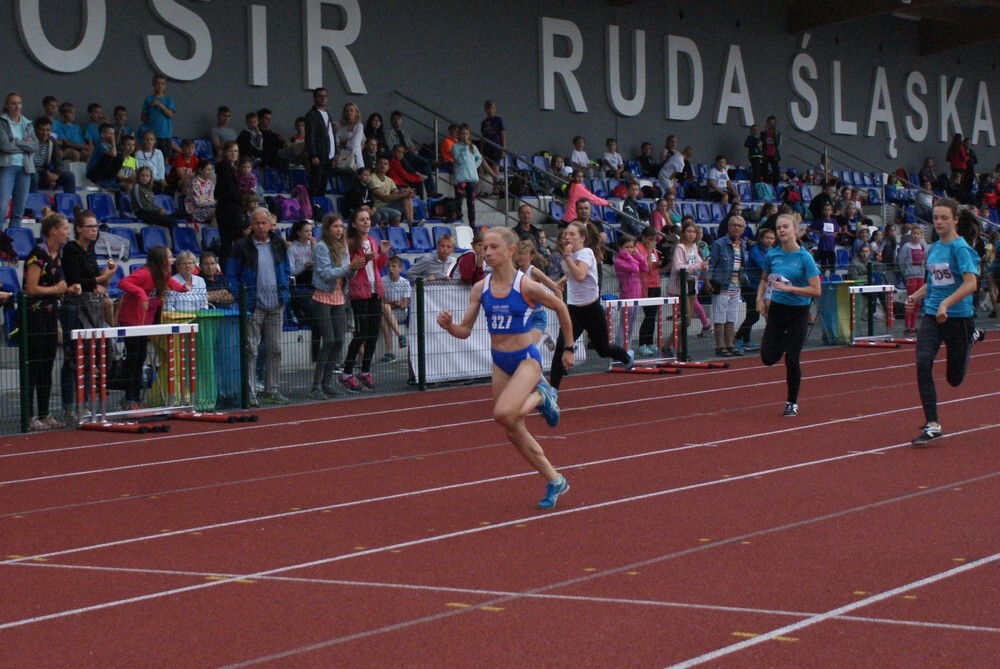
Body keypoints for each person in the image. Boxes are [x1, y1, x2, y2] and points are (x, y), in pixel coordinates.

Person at [437, 227, 575, 509]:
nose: (486, 252)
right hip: (500, 362)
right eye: (484, 247)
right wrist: (450, 326)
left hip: (526, 359)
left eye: (493, 247)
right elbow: (464, 331)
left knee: (503, 412)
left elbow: (561, 307)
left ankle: (544, 394)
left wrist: (569, 347)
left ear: (511, 250)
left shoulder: (526, 286)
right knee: (510, 427)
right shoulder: (481, 288)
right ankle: (555, 480)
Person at [906, 200, 986, 446]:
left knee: (954, 379)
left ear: (955, 220)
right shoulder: (933, 249)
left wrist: (946, 304)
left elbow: (971, 284)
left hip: (958, 318)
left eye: (943, 218)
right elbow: (933, 282)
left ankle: (971, 337)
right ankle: (932, 423)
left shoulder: (961, 249)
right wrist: (915, 296)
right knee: (923, 363)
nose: (938, 222)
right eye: (935, 218)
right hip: (932, 316)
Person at [549, 221, 634, 390]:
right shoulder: (571, 255)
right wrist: (564, 278)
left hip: (592, 309)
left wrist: (566, 257)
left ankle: (626, 357)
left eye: (572, 234)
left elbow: (580, 275)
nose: (567, 237)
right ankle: (552, 392)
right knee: (561, 348)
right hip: (574, 310)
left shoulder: (586, 253)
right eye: (566, 234)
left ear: (582, 238)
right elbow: (573, 272)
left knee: (602, 349)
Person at [757, 214, 822, 417]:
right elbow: (764, 279)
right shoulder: (772, 255)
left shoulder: (805, 257)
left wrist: (791, 289)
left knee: (792, 359)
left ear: (795, 229)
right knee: (768, 358)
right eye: (779, 228)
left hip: (798, 311)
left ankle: (791, 402)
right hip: (777, 310)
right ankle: (785, 341)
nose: (782, 230)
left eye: (785, 227)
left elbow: (816, 290)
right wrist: (759, 299)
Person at [225, 208, 292, 406]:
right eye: (257, 223)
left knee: (275, 349)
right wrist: (241, 295)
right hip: (252, 305)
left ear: (270, 224)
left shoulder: (278, 243)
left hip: (276, 303)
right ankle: (250, 392)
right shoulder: (241, 246)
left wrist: (284, 289)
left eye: (264, 223)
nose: (261, 226)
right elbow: (231, 273)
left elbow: (286, 268)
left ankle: (272, 390)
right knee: (251, 350)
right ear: (251, 224)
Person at [59, 210, 116, 424]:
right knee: (72, 358)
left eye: (96, 227)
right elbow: (75, 280)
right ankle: (69, 406)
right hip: (74, 306)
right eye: (90, 227)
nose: (94, 230)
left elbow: (93, 281)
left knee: (90, 356)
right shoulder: (71, 250)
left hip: (90, 306)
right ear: (79, 229)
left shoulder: (90, 251)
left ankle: (86, 402)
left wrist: (104, 278)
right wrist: (101, 278)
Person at [23, 213, 78, 429]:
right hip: (35, 316)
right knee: (34, 366)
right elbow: (31, 288)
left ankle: (44, 413)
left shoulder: (58, 254)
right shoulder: (37, 255)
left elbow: (58, 285)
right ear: (53, 230)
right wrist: (55, 289)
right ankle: (28, 416)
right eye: (64, 228)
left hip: (51, 315)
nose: (68, 232)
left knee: (47, 364)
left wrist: (68, 289)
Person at [117, 246, 187, 410]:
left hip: (145, 322)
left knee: (140, 359)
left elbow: (173, 284)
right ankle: (130, 397)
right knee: (134, 359)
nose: (172, 260)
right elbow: (123, 283)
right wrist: (141, 293)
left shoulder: (162, 275)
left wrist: (183, 288)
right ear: (161, 259)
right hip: (133, 321)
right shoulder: (145, 273)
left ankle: (135, 397)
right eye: (169, 257)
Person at [310, 213, 363, 398]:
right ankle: (316, 385)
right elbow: (326, 273)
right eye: (335, 226)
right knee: (329, 341)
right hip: (323, 296)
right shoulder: (321, 247)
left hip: (339, 297)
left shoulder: (343, 246)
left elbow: (348, 274)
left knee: (339, 341)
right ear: (327, 228)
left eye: (341, 226)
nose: (339, 230)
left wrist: (355, 267)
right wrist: (349, 267)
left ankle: (327, 383)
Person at [339, 208, 391, 392]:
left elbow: (378, 266)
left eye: (368, 219)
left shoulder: (372, 241)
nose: (366, 222)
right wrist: (365, 260)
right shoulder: (351, 243)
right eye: (362, 220)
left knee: (373, 332)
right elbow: (351, 269)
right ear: (354, 224)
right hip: (360, 291)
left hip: (374, 290)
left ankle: (365, 370)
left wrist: (383, 253)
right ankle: (347, 371)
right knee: (362, 332)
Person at [707, 216, 748, 356]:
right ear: (729, 227)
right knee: (720, 318)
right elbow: (711, 263)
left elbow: (743, 265)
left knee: (731, 318)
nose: (736, 228)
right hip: (722, 286)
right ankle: (720, 346)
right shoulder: (719, 244)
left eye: (739, 226)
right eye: (734, 225)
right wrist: (708, 281)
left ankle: (730, 344)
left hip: (736, 286)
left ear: (743, 229)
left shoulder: (743, 244)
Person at [514, 238, 561, 352]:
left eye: (523, 254)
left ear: (531, 256)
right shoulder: (516, 273)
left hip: (537, 316)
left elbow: (556, 288)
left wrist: (560, 310)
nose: (520, 257)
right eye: (518, 254)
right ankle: (546, 334)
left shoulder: (533, 271)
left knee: (529, 349)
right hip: (523, 317)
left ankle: (544, 333)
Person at [0, 92, 38, 228]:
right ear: (7, 105)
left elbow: (35, 146)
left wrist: (17, 142)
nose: (17, 106)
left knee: (18, 211)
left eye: (19, 103)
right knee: (1, 208)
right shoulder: (2, 122)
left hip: (25, 168)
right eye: (13, 103)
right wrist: (26, 146)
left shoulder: (27, 123)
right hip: (7, 167)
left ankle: (13, 239)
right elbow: (5, 146)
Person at [669, 220, 712, 338]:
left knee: (687, 321)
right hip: (681, 287)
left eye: (694, 232)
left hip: (692, 285)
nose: (692, 234)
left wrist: (704, 266)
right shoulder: (680, 248)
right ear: (683, 233)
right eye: (689, 231)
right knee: (687, 321)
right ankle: (668, 345)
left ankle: (677, 346)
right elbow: (678, 267)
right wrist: (698, 266)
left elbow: (700, 263)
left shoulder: (694, 247)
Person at [735, 227, 774, 353]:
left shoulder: (771, 251)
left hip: (762, 286)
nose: (769, 240)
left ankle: (746, 341)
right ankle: (737, 338)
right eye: (767, 238)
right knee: (754, 316)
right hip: (751, 286)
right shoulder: (755, 250)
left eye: (772, 238)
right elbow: (764, 266)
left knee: (750, 314)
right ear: (761, 239)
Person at [287, 219, 317, 358]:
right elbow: (291, 270)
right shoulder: (292, 249)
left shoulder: (313, 246)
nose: (309, 234)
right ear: (299, 232)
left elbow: (321, 263)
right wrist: (303, 267)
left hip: (314, 283)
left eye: (311, 231)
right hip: (300, 285)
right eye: (306, 231)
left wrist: (315, 248)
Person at [613, 235, 648, 349]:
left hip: (636, 295)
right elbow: (635, 268)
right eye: (626, 247)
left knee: (631, 325)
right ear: (620, 248)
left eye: (632, 247)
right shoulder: (619, 261)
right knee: (624, 325)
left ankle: (627, 348)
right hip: (627, 295)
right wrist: (628, 256)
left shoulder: (632, 259)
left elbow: (645, 267)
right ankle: (619, 350)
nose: (629, 250)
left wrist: (637, 255)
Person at [634, 227, 664, 356]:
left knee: (653, 315)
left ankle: (650, 341)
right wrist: (650, 250)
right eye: (650, 239)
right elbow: (646, 267)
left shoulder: (653, 250)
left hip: (655, 283)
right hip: (646, 285)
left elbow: (654, 265)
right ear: (644, 237)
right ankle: (642, 343)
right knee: (649, 315)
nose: (652, 242)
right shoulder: (638, 248)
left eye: (654, 240)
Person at [30, 116, 75, 194]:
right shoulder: (29, 141)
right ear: (36, 130)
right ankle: (33, 200)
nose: (45, 133)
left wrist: (56, 175)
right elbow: (28, 165)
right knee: (34, 175)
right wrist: (46, 173)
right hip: (32, 174)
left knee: (70, 176)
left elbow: (59, 162)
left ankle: (70, 201)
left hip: (46, 175)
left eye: (48, 130)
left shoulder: (52, 141)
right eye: (42, 130)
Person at [215, 141, 243, 262]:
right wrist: (241, 200)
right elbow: (228, 190)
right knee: (230, 242)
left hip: (229, 208)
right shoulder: (224, 167)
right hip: (228, 210)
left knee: (228, 242)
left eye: (236, 151)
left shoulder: (231, 168)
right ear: (225, 152)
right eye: (231, 151)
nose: (234, 153)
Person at [379, 255, 410, 363]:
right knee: (383, 315)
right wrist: (393, 303)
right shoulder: (382, 281)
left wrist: (394, 305)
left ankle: (390, 352)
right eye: (388, 266)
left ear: (400, 268)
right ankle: (399, 337)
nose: (390, 269)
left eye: (393, 266)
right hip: (387, 310)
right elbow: (380, 301)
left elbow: (404, 306)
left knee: (384, 311)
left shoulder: (405, 283)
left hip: (400, 313)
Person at [304, 87, 334, 199]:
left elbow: (331, 134)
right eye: (320, 96)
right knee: (315, 183)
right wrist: (313, 155)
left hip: (328, 155)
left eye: (325, 96)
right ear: (315, 98)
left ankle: (319, 205)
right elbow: (310, 136)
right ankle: (312, 205)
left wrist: (334, 153)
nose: (323, 98)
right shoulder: (312, 115)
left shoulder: (327, 114)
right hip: (319, 155)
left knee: (323, 184)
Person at [451, 124, 482, 226]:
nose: (464, 136)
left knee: (471, 203)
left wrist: (474, 166)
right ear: (459, 135)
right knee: (458, 201)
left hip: (472, 178)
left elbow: (479, 158)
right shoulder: (455, 147)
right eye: (462, 134)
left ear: (469, 135)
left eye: (467, 134)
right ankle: (458, 223)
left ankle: (472, 226)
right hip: (461, 178)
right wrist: (465, 148)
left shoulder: (473, 147)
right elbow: (459, 160)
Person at [370, 155, 414, 226]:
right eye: (380, 163)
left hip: (387, 205)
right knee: (397, 215)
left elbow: (397, 194)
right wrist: (403, 194)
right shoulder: (372, 178)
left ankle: (411, 222)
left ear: (388, 167)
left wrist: (408, 193)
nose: (383, 166)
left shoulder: (389, 180)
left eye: (385, 164)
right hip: (376, 208)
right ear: (376, 165)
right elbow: (383, 198)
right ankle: (411, 223)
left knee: (405, 192)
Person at [141, 73, 175, 159]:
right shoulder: (148, 99)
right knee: (151, 156)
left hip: (164, 134)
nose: (160, 86)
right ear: (153, 84)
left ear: (165, 86)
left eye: (162, 84)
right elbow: (143, 117)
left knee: (164, 157)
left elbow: (170, 114)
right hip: (152, 135)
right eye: (157, 84)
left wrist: (160, 105)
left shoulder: (168, 100)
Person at [480, 100, 506, 196]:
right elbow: (483, 137)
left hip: (495, 148)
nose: (490, 110)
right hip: (486, 148)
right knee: (484, 167)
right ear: (485, 109)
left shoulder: (498, 120)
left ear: (494, 109)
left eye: (492, 108)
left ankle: (496, 190)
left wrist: (503, 149)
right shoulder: (483, 123)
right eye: (489, 108)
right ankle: (480, 189)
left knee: (495, 168)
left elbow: (503, 135)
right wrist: (481, 150)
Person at [334, 102, 364, 179]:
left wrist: (342, 141)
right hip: (341, 159)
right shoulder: (341, 127)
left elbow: (354, 144)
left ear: (356, 113)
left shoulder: (359, 126)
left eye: (351, 110)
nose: (349, 113)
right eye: (347, 111)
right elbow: (336, 141)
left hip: (355, 160)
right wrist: (348, 140)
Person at [184, 159, 216, 225]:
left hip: (208, 208)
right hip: (195, 211)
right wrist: (214, 203)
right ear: (200, 170)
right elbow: (198, 203)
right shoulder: (194, 183)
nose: (210, 172)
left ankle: (213, 230)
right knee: (219, 211)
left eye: (211, 170)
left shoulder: (210, 183)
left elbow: (211, 199)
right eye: (207, 170)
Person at [760, 115, 781, 185]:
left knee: (776, 170)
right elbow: (761, 143)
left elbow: (777, 143)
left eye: (772, 123)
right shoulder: (763, 133)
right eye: (769, 123)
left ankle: (775, 184)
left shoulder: (777, 133)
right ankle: (765, 183)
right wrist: (766, 132)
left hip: (774, 154)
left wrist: (774, 135)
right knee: (764, 170)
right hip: (765, 153)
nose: (771, 125)